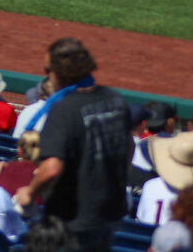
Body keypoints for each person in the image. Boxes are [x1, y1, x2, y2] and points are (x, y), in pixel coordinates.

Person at [17, 37, 131, 251]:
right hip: (108, 216)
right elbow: (128, 149)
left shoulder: (64, 109)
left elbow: (51, 169)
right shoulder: (116, 99)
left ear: (58, 73)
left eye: (47, 69)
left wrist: (30, 193)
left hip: (72, 223)